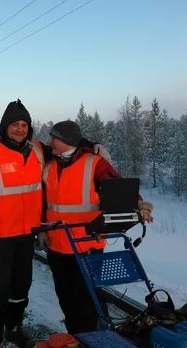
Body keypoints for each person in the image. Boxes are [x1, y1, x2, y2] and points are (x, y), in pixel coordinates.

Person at [0, 100, 110, 348]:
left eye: (25, 125)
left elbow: (68, 145)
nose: (20, 129)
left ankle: (13, 329)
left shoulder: (37, 150)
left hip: (28, 234)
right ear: (5, 127)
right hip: (0, 235)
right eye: (15, 125)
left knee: (21, 287)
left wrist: (94, 147)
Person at [37, 120, 153, 335]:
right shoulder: (49, 166)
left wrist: (138, 203)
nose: (50, 141)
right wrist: (43, 229)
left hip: (87, 244)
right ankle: (76, 337)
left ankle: (95, 339)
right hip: (57, 245)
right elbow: (42, 202)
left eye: (55, 138)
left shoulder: (94, 163)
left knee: (88, 298)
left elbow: (117, 187)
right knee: (65, 296)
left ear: (67, 141)